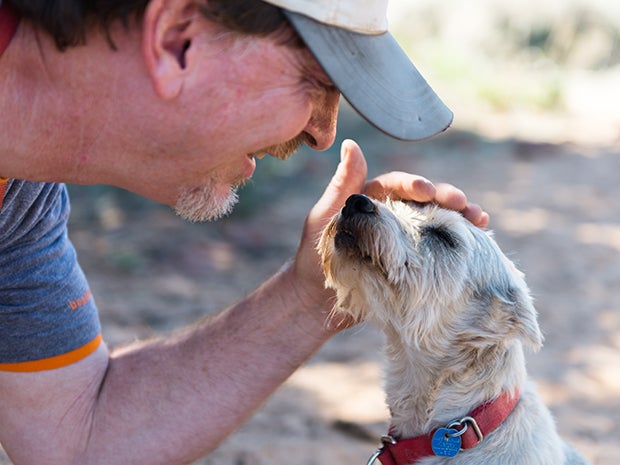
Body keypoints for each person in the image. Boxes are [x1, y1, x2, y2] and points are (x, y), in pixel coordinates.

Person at [0, 0, 489, 463]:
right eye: (317, 82)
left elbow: (78, 438)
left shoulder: (19, 197)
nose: (324, 133)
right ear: (176, 41)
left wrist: (312, 294)